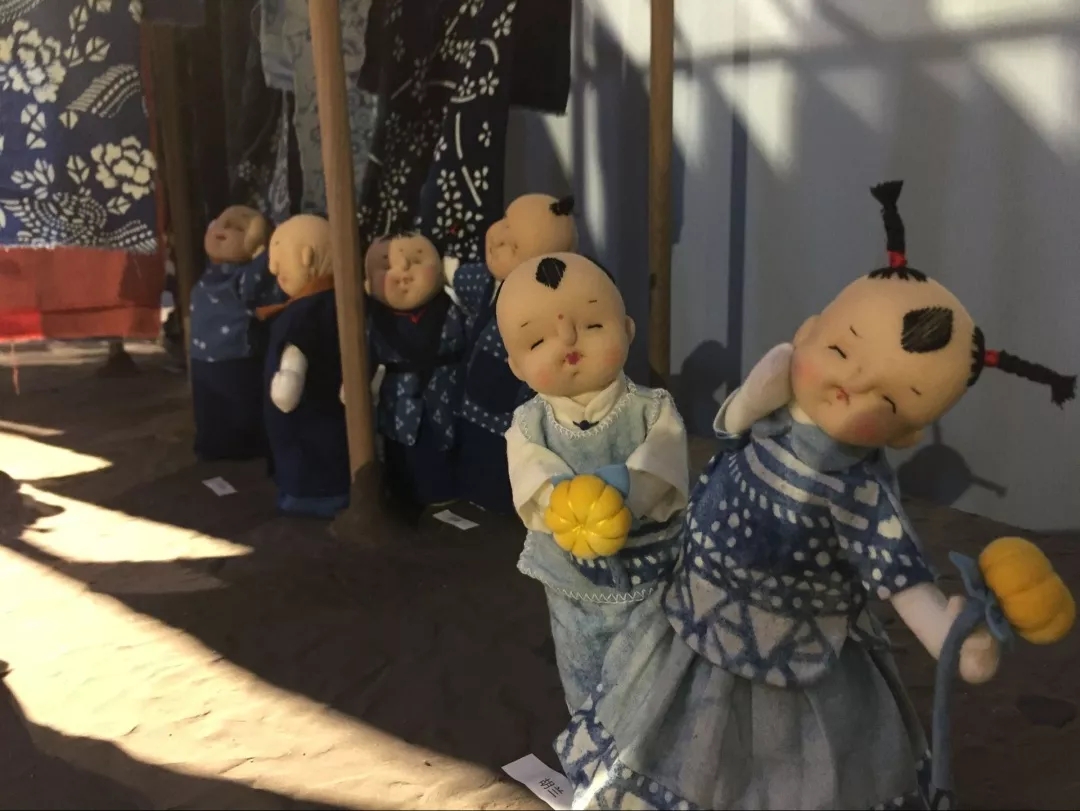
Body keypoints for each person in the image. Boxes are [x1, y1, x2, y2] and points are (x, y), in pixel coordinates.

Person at [555, 181, 1077, 809]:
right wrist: (763, 386)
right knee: (669, 740)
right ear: (805, 335)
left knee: (782, 766)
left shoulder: (860, 496)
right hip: (692, 625)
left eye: (889, 399)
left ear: (906, 434)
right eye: (839, 349)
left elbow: (905, 583)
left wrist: (960, 643)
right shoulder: (772, 416)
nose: (851, 381)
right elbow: (731, 424)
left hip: (796, 661)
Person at [497, 252, 690, 711]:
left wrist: (626, 490)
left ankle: (651, 735)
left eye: (593, 325)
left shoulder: (652, 409)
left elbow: (662, 464)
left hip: (649, 571)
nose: (568, 339)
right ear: (516, 366)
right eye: (537, 339)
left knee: (653, 664)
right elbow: (531, 477)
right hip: (571, 577)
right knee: (581, 661)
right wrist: (560, 501)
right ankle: (590, 734)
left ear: (627, 330)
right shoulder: (528, 425)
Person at [447, 193, 578, 514]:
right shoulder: (486, 280)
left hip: (509, 408)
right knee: (466, 451)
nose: (498, 239)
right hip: (467, 397)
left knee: (501, 463)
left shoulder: (547, 301)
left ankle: (498, 504)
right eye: (504, 222)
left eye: (514, 246)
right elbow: (454, 274)